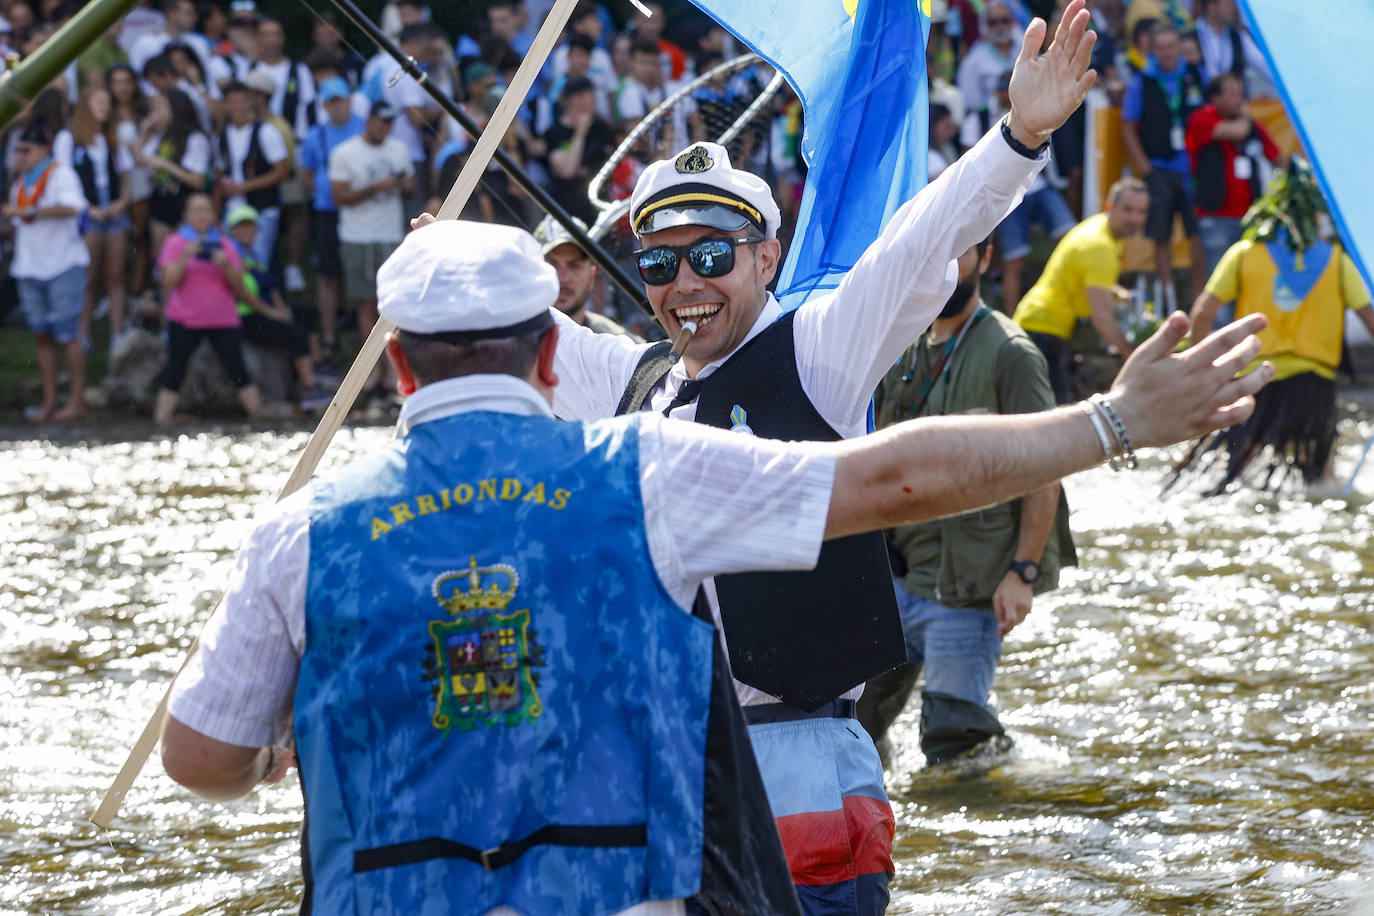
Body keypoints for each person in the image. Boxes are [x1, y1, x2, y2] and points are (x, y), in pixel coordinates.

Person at [160, 218, 1277, 914]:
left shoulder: (300, 529)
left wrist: (268, 757)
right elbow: (892, 479)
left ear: (395, 360)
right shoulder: (646, 467)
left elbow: (197, 753)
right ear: (553, 352)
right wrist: (1112, 422)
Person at [423, 5, 1103, 910]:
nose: (685, 284)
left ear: (767, 255)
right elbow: (524, 333)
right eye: (659, 266)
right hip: (655, 784)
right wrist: (447, 270)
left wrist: (1019, 136)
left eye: (710, 253)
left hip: (798, 773)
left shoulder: (819, 351)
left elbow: (917, 246)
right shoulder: (635, 379)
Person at [858, 237, 1076, 766]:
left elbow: (1045, 472)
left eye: (961, 252)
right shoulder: (900, 346)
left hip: (968, 586)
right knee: (850, 729)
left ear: (988, 257)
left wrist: (1022, 573)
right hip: (895, 578)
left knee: (955, 744)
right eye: (935, 253)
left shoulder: (1011, 353)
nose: (945, 267)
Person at [1177, 164, 1374, 494]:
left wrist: (1199, 369)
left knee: (1234, 471)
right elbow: (1370, 321)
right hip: (1315, 383)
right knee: (1320, 478)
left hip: (1255, 379)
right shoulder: (1337, 260)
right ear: (1315, 216)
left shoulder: (1245, 253)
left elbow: (1203, 311)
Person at [1013, 177, 1149, 403]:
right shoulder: (1100, 247)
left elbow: (1084, 276)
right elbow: (1102, 319)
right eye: (1128, 210)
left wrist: (1115, 293)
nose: (1135, 218)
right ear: (1110, 207)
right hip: (1041, 333)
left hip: (1037, 326)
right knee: (1052, 417)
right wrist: (1134, 356)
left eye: (1141, 211)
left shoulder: (1098, 227)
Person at [961, 69, 1075, 313]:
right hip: (1006, 192)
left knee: (1071, 239)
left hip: (1039, 186)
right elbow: (969, 160)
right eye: (1005, 89)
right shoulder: (978, 118)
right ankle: (1012, 321)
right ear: (1000, 91)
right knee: (1014, 260)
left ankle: (1076, 309)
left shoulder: (1036, 108)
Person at [6, 118, 90, 423]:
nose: (20, 155)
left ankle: (77, 402)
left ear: (43, 149)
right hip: (30, 266)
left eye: (26, 149)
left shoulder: (61, 174)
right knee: (41, 336)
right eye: (17, 150)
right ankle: (51, 402)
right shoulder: (20, 181)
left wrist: (27, 211)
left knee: (69, 334)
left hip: (63, 265)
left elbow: (74, 207)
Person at [153, 192, 261, 425]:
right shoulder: (176, 242)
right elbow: (168, 281)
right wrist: (185, 256)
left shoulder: (225, 244)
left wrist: (223, 263)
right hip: (184, 319)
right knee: (173, 373)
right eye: (197, 210)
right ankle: (160, 423)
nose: (203, 215)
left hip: (222, 319)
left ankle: (261, 421)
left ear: (213, 215)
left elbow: (239, 284)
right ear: (187, 215)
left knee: (239, 371)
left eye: (207, 210)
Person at [328, 100, 414, 391]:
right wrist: (375, 187)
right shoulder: (345, 152)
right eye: (380, 121)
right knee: (365, 302)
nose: (384, 127)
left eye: (389, 123)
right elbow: (339, 198)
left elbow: (411, 185)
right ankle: (372, 368)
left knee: (393, 302)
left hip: (390, 233)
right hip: (357, 234)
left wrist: (401, 183)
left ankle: (393, 370)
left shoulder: (399, 149)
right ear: (369, 122)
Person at [1121, 21, 1206, 305]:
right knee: (1161, 235)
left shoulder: (1194, 74)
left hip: (1193, 170)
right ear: (1153, 49)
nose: (1168, 52)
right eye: (1162, 48)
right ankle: (1169, 297)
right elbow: (1128, 126)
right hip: (1159, 168)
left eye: (1172, 46)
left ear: (1178, 47)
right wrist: (1144, 166)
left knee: (1198, 234)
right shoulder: (1141, 82)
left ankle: (1199, 297)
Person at [224, 204, 332, 410]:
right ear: (232, 231)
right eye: (241, 226)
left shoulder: (256, 255)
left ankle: (316, 367)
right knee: (296, 333)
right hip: (246, 317)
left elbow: (270, 287)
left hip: (265, 311)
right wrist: (273, 313)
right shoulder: (232, 257)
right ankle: (309, 388)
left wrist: (282, 310)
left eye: (250, 226)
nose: (246, 230)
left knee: (307, 315)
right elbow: (242, 293)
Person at [1185, 71, 1281, 290]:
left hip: (1250, 218)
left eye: (1241, 94)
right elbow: (1236, 131)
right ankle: (1219, 326)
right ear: (1215, 98)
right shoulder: (1202, 119)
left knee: (1249, 281)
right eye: (1232, 95)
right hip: (1215, 216)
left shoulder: (1250, 126)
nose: (1239, 100)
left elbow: (1277, 156)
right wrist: (1247, 116)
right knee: (1217, 283)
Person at [299, 75, 364, 359]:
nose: (337, 107)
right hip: (327, 211)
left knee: (361, 271)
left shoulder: (364, 128)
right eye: (331, 102)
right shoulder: (316, 135)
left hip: (362, 210)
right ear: (324, 106)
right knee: (328, 274)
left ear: (350, 100)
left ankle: (360, 329)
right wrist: (328, 193)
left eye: (341, 100)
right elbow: (308, 175)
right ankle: (328, 336)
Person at [65, 85, 133, 342]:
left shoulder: (113, 140)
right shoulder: (70, 139)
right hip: (87, 212)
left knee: (115, 275)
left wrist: (122, 202)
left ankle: (117, 333)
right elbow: (65, 179)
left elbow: (125, 179)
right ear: (86, 106)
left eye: (107, 102)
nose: (105, 107)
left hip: (114, 210)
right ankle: (83, 335)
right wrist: (87, 208)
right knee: (88, 277)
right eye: (99, 101)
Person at [215, 79, 290, 267]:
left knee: (258, 265)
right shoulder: (221, 137)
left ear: (250, 102)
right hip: (232, 211)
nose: (238, 107)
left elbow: (282, 172)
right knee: (233, 265)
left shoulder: (266, 132)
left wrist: (244, 187)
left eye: (242, 101)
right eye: (232, 101)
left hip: (261, 209)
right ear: (225, 105)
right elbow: (219, 175)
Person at [533, 213, 640, 339]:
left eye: (574, 265)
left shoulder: (621, 347)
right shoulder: (510, 343)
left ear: (592, 275)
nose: (564, 278)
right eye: (552, 265)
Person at [135, 87, 209, 265]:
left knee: (186, 261)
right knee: (163, 263)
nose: (156, 114)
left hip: (184, 205)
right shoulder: (159, 135)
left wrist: (166, 165)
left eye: (161, 108)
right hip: (160, 203)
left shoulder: (194, 138)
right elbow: (139, 162)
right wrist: (144, 133)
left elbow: (197, 180)